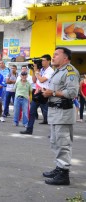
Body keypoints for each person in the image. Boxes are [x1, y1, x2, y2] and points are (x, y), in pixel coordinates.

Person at [42, 47, 80, 185]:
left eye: (56, 54)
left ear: (65, 58)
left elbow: (72, 92)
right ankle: (59, 168)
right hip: (55, 113)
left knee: (63, 143)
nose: (53, 56)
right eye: (53, 54)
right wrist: (46, 93)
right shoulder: (57, 71)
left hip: (63, 113)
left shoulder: (70, 72)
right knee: (56, 142)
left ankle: (64, 174)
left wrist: (51, 93)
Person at [20, 54, 54, 135]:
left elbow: (42, 80)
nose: (42, 62)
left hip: (46, 94)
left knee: (50, 114)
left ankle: (54, 133)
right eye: (41, 60)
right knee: (32, 112)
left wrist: (37, 72)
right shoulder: (41, 69)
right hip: (38, 93)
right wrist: (35, 70)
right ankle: (29, 130)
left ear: (48, 61)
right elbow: (34, 80)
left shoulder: (50, 71)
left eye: (43, 60)